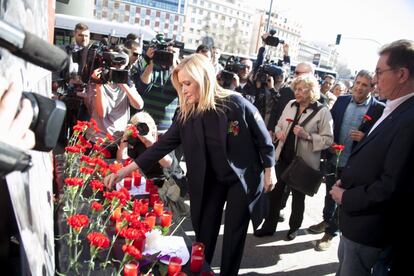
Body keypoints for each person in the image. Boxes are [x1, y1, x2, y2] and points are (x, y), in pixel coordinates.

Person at [104, 54, 277, 275]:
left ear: (202, 79)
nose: (183, 90)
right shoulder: (187, 113)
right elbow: (160, 147)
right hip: (211, 178)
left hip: (240, 178)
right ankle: (200, 271)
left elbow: (264, 140)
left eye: (187, 83)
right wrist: (123, 172)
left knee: (234, 233)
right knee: (204, 231)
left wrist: (269, 170)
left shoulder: (236, 104)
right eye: (181, 85)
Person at [330, 39, 414, 276]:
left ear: (402, 74)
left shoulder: (409, 119)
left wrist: (347, 196)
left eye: (379, 72)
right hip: (357, 224)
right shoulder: (393, 108)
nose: (375, 80)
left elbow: (391, 186)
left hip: (369, 229)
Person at [308, 70, 385, 251]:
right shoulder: (341, 101)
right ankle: (326, 221)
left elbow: (380, 138)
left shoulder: (378, 109)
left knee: (344, 200)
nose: (359, 87)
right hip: (334, 159)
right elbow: (329, 127)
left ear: (372, 88)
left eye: (364, 85)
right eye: (357, 83)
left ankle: (331, 232)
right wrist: (330, 144)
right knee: (329, 195)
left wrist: (365, 137)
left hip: (356, 165)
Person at [254, 74, 333, 239]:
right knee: (274, 194)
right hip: (283, 157)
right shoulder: (290, 104)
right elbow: (278, 125)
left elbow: (328, 140)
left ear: (311, 91)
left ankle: (293, 228)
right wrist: (278, 132)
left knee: (298, 198)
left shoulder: (322, 111)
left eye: (302, 89)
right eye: (296, 89)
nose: (297, 92)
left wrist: (308, 136)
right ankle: (269, 227)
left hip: (303, 163)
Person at [86, 49, 144, 158]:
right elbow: (101, 112)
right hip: (97, 139)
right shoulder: (97, 81)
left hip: (118, 140)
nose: (117, 68)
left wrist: (123, 83)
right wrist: (99, 84)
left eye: (120, 65)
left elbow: (139, 105)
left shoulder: (127, 82)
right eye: (114, 65)